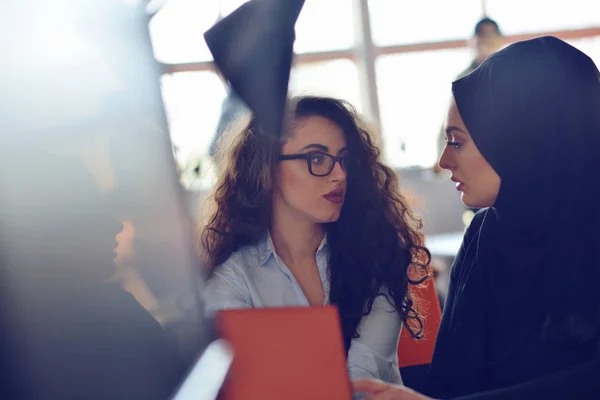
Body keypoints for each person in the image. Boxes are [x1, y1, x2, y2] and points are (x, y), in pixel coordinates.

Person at [353, 36, 600, 399]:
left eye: (457, 141)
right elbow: (450, 382)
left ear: (521, 137)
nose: (444, 162)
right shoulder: (487, 235)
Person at [201, 96, 430, 383]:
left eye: (344, 159)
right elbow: (255, 384)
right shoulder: (232, 280)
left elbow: (362, 378)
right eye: (317, 158)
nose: (340, 174)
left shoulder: (374, 252)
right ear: (267, 167)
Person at [433, 17, 503, 175]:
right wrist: (439, 155)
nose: (487, 41)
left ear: (499, 40)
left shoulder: (512, 76)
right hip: (472, 157)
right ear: (474, 41)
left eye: (491, 36)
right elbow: (449, 121)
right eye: (482, 36)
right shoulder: (463, 79)